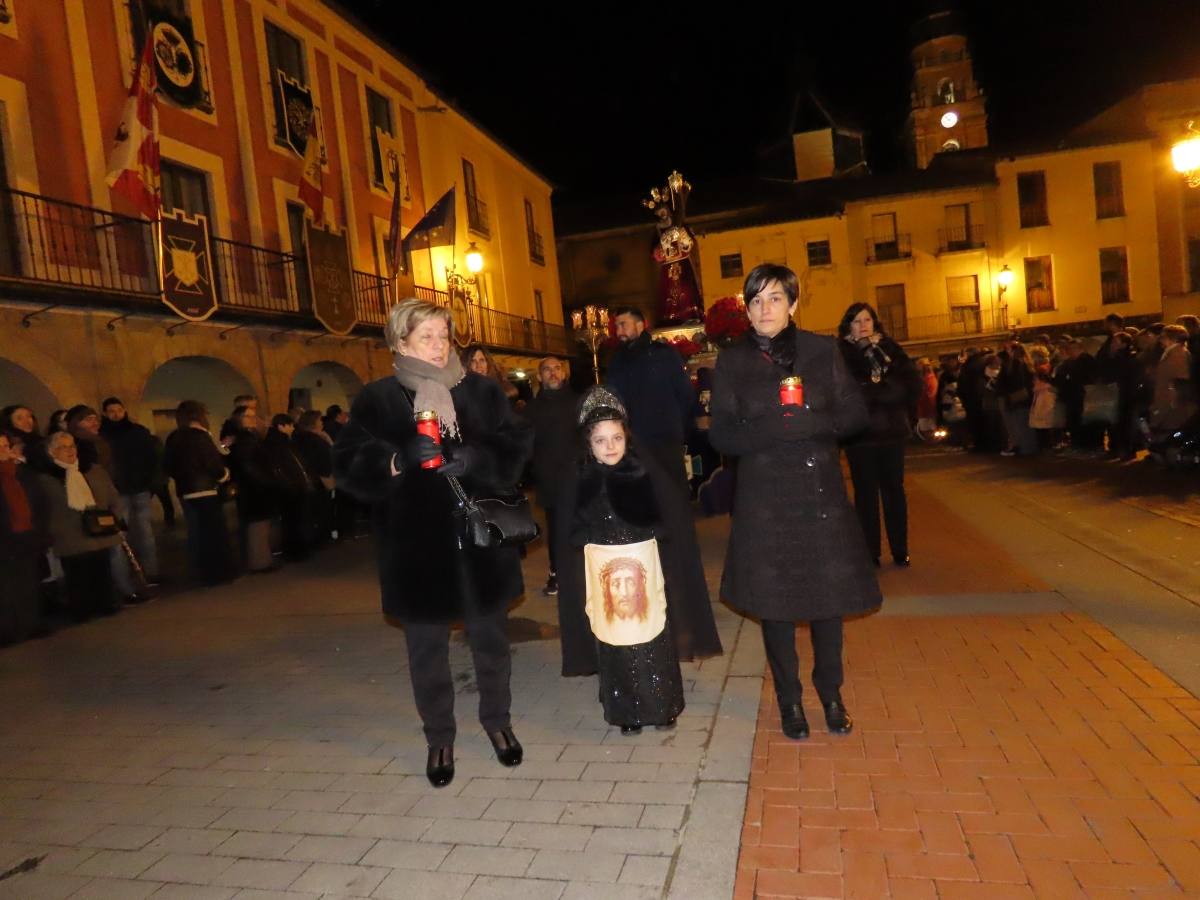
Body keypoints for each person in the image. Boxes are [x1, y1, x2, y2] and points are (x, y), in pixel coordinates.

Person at [334, 298, 533, 788]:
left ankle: (498, 722)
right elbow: (347, 467)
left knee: (491, 643)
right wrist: (396, 461)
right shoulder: (376, 400)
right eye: (427, 337)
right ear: (400, 342)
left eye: (444, 336)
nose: (440, 346)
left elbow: (516, 449)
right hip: (415, 550)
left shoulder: (482, 391)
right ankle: (439, 736)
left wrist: (474, 459)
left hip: (480, 544)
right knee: (426, 651)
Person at [709, 264, 881, 740]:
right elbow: (720, 432)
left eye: (775, 299)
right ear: (746, 309)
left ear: (793, 303)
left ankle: (831, 694)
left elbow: (854, 413)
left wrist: (814, 425)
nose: (765, 309)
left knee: (828, 603)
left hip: (818, 495)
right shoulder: (733, 361)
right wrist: (767, 430)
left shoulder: (821, 351)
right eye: (756, 301)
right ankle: (790, 702)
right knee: (777, 607)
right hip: (766, 501)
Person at [554, 386, 722, 734]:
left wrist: (659, 533)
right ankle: (625, 711)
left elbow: (668, 515)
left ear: (627, 438)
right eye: (601, 441)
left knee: (651, 637)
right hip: (604, 575)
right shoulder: (581, 478)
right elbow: (572, 525)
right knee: (615, 641)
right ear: (589, 444)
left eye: (616, 438)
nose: (610, 446)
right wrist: (581, 537)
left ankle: (662, 705)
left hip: (643, 569)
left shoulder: (643, 472)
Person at [837, 302, 920, 567]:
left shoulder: (890, 349)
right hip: (860, 436)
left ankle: (900, 548)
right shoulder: (841, 353)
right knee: (865, 495)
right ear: (848, 326)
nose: (863, 325)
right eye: (857, 321)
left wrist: (878, 391)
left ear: (875, 323)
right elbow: (842, 391)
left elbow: (911, 384)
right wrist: (878, 391)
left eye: (867, 320)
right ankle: (870, 551)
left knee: (894, 491)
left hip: (891, 433)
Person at [605, 306, 696, 488]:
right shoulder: (617, 361)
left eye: (623, 325)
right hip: (634, 443)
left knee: (672, 492)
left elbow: (685, 393)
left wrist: (677, 427)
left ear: (639, 326)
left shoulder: (663, 355)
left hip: (665, 441)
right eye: (617, 326)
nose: (619, 331)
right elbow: (613, 399)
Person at [37, 431, 123, 620]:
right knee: (77, 574)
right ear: (51, 452)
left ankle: (106, 602)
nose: (69, 451)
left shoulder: (91, 470)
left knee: (101, 568)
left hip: (98, 530)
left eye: (72, 446)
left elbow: (111, 495)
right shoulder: (46, 478)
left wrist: (114, 516)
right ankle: (83, 609)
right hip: (69, 534)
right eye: (63, 447)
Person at [162, 401, 235, 585]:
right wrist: (224, 475)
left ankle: (197, 573)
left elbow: (168, 465)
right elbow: (212, 464)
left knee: (196, 533)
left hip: (185, 491)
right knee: (214, 534)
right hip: (206, 490)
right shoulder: (201, 436)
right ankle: (218, 573)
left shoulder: (174, 438)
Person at [525, 356, 579, 596]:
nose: (552, 373)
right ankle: (557, 573)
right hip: (549, 480)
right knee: (556, 530)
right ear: (539, 376)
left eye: (557, 368)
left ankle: (583, 573)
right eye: (546, 369)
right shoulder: (531, 411)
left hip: (579, 478)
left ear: (564, 373)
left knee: (582, 527)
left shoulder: (579, 402)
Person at [100, 397, 160, 588]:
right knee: (122, 536)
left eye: (119, 409)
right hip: (119, 490)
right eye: (111, 411)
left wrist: (150, 481)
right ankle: (128, 579)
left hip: (139, 486)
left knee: (145, 532)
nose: (116, 414)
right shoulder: (104, 435)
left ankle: (151, 572)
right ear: (105, 413)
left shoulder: (137, 432)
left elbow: (151, 457)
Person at [0, 431, 49, 644]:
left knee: (28, 581)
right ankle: (9, 630)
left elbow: (38, 500)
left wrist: (39, 529)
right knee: (6, 586)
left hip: (26, 534)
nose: (3, 450)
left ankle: (30, 624)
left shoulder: (21, 473)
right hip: (5, 537)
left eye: (4, 445)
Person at [227, 406, 276, 572]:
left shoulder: (249, 438)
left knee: (260, 526)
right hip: (253, 489)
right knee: (257, 526)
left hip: (253, 487)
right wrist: (265, 480)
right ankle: (260, 562)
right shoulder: (245, 440)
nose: (253, 419)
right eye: (248, 416)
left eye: (254, 416)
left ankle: (262, 559)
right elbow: (248, 465)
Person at [262, 413, 315, 561]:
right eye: (290, 425)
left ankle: (299, 548)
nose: (292, 428)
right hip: (289, 488)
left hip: (294, 485)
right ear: (281, 426)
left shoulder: (285, 442)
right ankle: (295, 550)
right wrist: (290, 483)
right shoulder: (276, 444)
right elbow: (280, 467)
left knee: (297, 518)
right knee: (293, 520)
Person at [293, 410, 335, 546]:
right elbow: (323, 459)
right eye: (320, 420)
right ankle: (323, 537)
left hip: (310, 478)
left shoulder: (300, 437)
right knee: (322, 509)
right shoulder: (313, 439)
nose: (322, 422)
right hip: (319, 478)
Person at [997, 343, 1037, 456]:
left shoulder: (1014, 365)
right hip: (1025, 398)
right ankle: (1029, 448)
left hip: (1015, 397)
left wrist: (1008, 395)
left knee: (1018, 425)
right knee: (1026, 424)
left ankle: (1024, 448)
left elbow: (1013, 382)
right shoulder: (1028, 364)